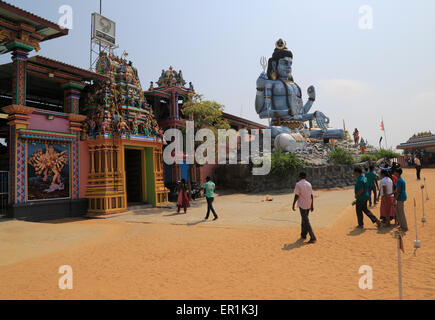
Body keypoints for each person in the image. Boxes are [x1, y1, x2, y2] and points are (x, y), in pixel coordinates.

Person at [292, 172, 317, 243]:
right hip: (308, 204)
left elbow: (296, 195)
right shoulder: (309, 184)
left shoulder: (298, 184)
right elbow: (311, 195)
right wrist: (312, 205)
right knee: (304, 220)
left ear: (300, 176)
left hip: (302, 205)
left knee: (306, 221)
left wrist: (293, 204)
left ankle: (313, 237)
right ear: (305, 177)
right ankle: (303, 234)